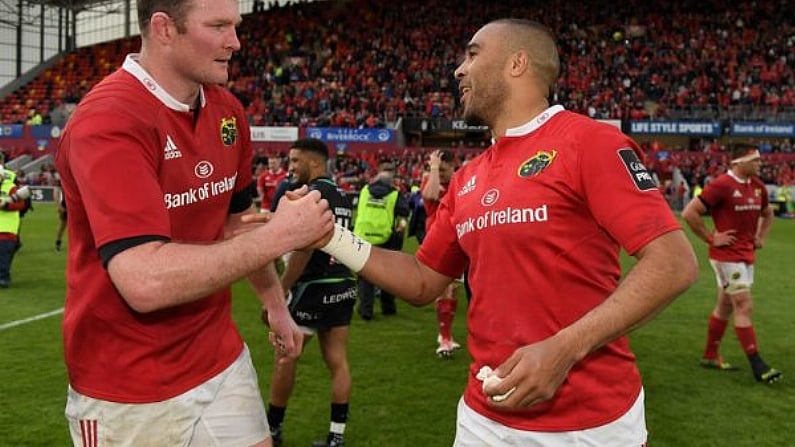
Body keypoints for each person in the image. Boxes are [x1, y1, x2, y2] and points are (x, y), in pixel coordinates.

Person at [312, 19, 698, 445]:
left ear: (517, 63)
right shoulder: (468, 177)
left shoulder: (590, 143)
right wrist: (330, 236)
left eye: (473, 54)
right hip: (483, 418)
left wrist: (563, 349)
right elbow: (423, 281)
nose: (459, 69)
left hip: (590, 424)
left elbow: (673, 262)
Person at [55, 1, 333, 446]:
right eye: (219, 26)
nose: (235, 41)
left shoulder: (228, 112)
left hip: (217, 358)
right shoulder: (107, 121)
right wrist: (281, 235)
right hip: (126, 387)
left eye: (235, 25)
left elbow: (238, 224)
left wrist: (277, 306)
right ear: (165, 29)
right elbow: (143, 282)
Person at [265, 138, 356, 447]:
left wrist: (282, 289)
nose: (290, 168)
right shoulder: (343, 195)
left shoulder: (311, 195)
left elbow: (303, 251)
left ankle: (274, 430)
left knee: (286, 357)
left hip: (312, 286)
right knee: (338, 361)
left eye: (295, 161)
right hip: (343, 283)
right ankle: (336, 437)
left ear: (314, 163)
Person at [681, 143, 781, 383]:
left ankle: (709, 355)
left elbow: (768, 214)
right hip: (726, 256)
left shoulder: (758, 187)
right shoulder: (722, 185)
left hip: (745, 255)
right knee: (743, 305)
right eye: (755, 160)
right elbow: (690, 213)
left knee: (725, 306)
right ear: (739, 163)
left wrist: (760, 237)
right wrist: (710, 237)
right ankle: (758, 365)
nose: (760, 163)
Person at [352, 160, 409, 320]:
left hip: (363, 236)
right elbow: (404, 212)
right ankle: (388, 307)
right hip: (385, 238)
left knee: (365, 276)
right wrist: (400, 229)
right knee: (388, 275)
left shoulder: (364, 190)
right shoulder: (395, 194)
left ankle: (365, 310)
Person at [421, 149, 463, 358]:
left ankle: (445, 334)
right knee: (444, 289)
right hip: (438, 241)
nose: (443, 174)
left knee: (453, 289)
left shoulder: (459, 183)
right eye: (441, 170)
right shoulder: (431, 180)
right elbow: (429, 195)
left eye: (446, 170)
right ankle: (444, 338)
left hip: (458, 240)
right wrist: (434, 168)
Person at [0, 166, 30, 288]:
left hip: (7, 229)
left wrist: (5, 206)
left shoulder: (11, 187)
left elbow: (21, 204)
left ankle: (3, 278)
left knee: (3, 256)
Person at [55, 181, 67, 251]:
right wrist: (59, 206)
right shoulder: (60, 181)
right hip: (65, 206)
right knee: (62, 226)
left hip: (73, 206)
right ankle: (58, 242)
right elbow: (56, 194)